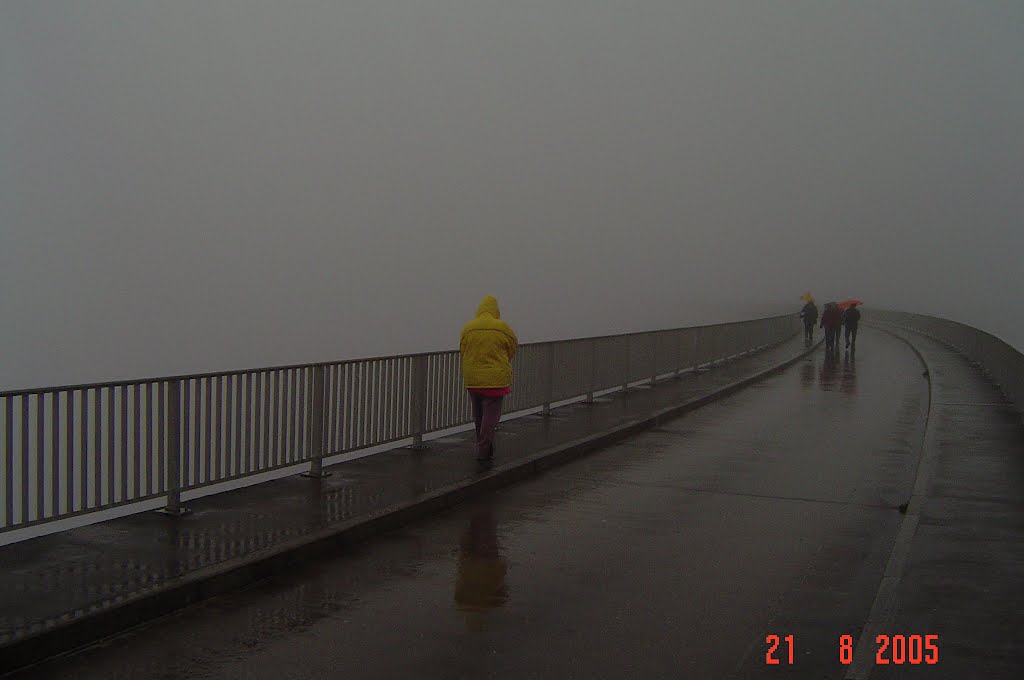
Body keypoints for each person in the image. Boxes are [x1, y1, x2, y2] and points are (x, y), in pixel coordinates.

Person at [460, 295, 518, 461]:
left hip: (473, 378)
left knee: (478, 414)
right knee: (491, 417)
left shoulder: (468, 328)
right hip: (495, 379)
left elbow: (463, 349)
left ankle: (483, 443)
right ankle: (484, 448)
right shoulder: (502, 327)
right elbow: (512, 347)